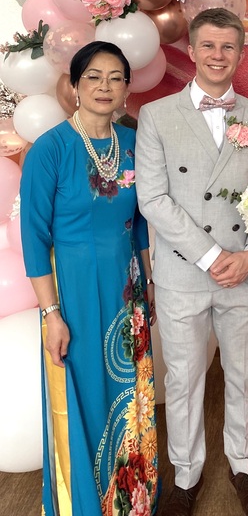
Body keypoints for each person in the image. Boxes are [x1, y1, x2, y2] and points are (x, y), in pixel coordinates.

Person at [135, 8, 248, 516]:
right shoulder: (157, 115)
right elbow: (153, 199)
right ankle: (185, 477)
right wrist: (214, 256)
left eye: (228, 46)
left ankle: (245, 468)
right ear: (191, 51)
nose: (218, 55)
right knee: (184, 379)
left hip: (245, 272)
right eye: (209, 46)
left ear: (240, 53)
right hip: (183, 270)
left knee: (244, 375)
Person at [20, 40, 158, 516]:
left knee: (130, 394)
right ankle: (83, 503)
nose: (105, 86)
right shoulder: (51, 148)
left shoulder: (134, 143)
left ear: (127, 88)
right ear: (75, 85)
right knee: (83, 395)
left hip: (126, 289)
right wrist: (51, 314)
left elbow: (140, 222)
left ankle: (132, 502)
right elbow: (34, 237)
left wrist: (149, 284)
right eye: (94, 77)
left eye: (116, 77)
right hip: (72, 294)